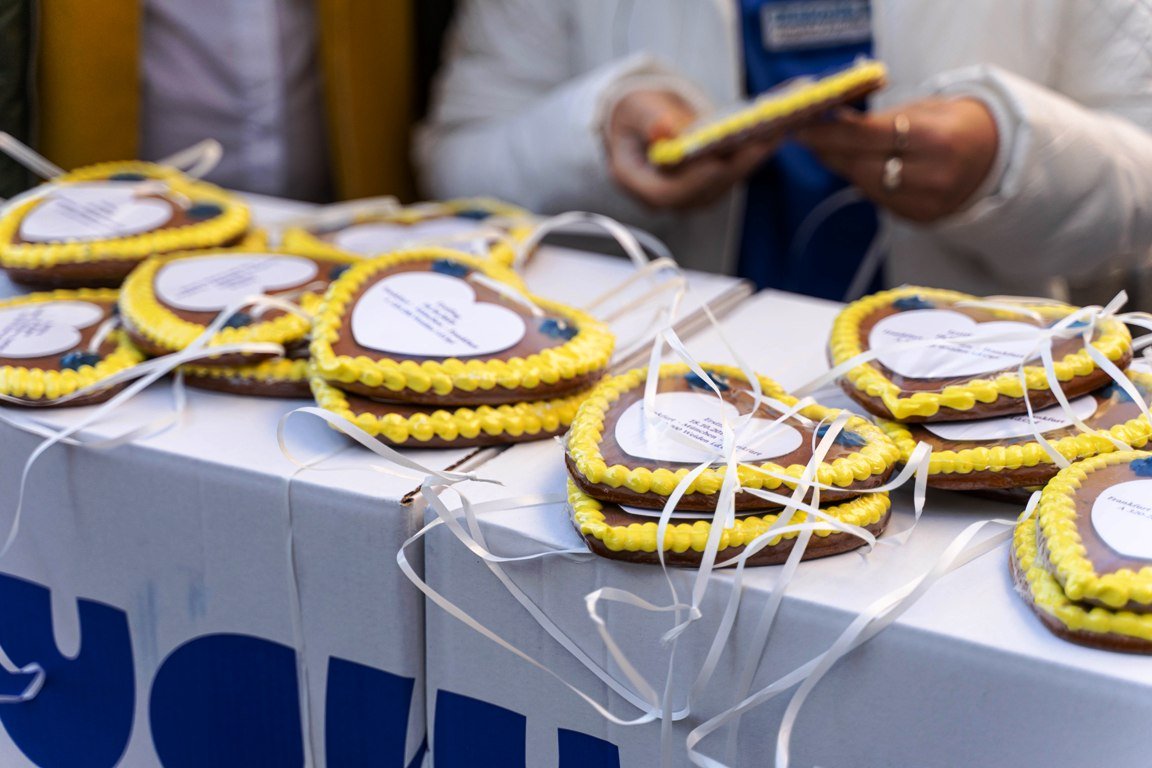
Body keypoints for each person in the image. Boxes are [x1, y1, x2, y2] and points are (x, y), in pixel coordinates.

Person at [417, 0, 1152, 304]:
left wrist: (1006, 159)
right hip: (655, 430)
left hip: (978, 433)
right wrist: (597, 135)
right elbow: (456, 167)